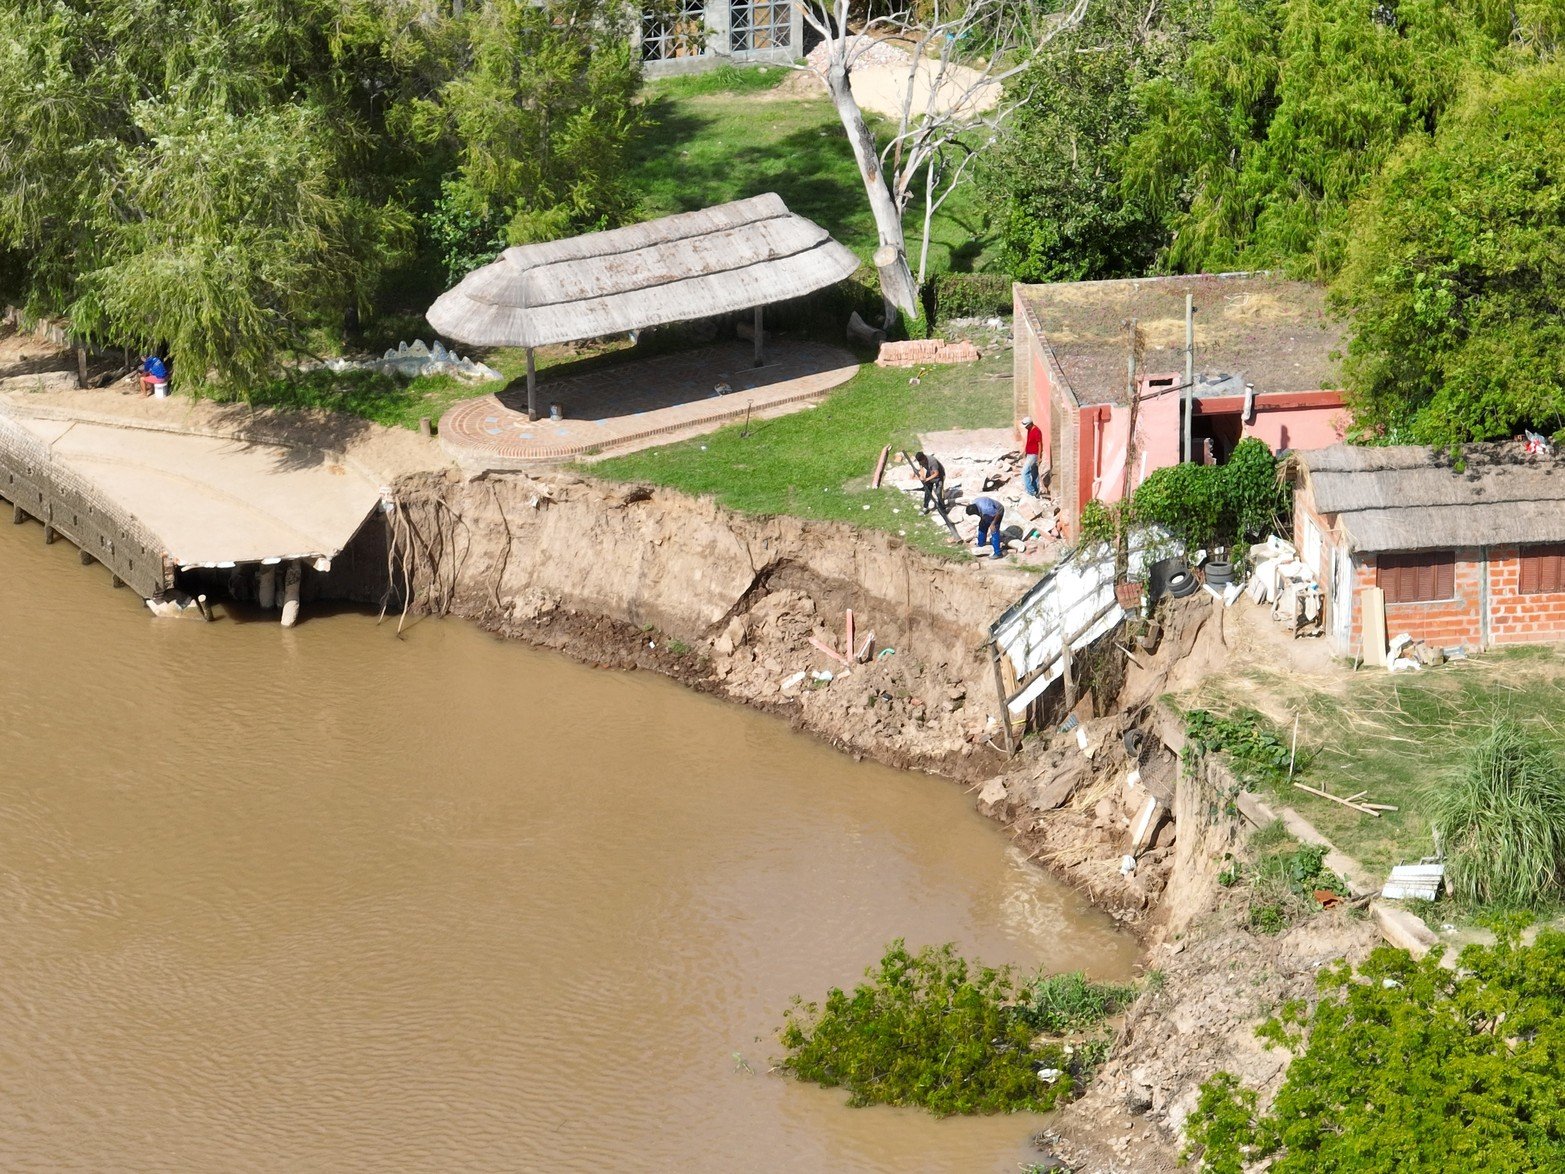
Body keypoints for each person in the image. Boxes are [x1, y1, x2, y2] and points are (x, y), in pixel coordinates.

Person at [913, 451, 946, 515]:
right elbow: (921, 468)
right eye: (920, 462)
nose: (921, 463)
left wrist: (927, 479)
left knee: (939, 492)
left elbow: (936, 473)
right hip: (930, 472)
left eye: (922, 461)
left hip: (939, 476)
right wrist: (922, 476)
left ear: (924, 458)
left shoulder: (932, 461)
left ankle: (942, 508)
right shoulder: (920, 460)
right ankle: (925, 506)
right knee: (927, 490)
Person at [1020, 414, 1044, 497]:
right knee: (1034, 472)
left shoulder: (1036, 431)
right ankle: (1036, 491)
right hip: (1029, 453)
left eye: (1026, 426)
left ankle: (1031, 491)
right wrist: (1025, 451)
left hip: (1034, 455)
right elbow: (1029, 441)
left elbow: (1040, 444)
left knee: (1024, 472)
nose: (1025, 428)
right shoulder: (1029, 429)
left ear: (1030, 424)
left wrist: (1039, 457)